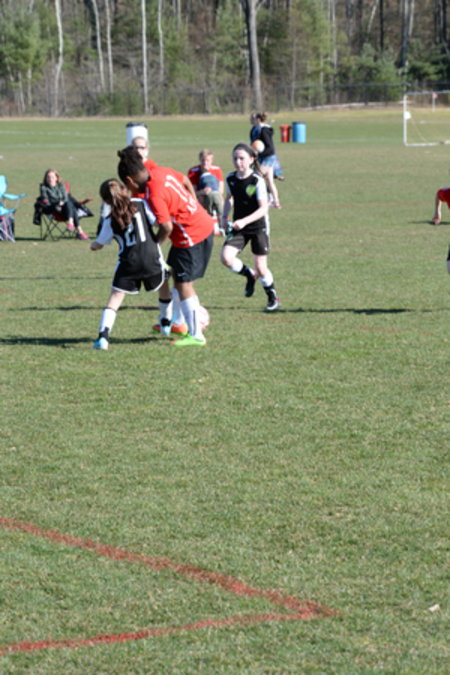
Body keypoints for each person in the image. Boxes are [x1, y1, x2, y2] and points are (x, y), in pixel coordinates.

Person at [117, 146, 214, 347]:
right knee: (177, 274)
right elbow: (185, 180)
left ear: (130, 181)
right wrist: (194, 204)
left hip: (191, 235)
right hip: (199, 226)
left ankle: (196, 335)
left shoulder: (154, 194)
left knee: (184, 284)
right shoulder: (161, 171)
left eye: (127, 186)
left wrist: (155, 243)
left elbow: (166, 227)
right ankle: (178, 322)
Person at [90, 178, 166, 350]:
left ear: (105, 201)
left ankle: (103, 337)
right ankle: (166, 322)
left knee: (115, 297)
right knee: (165, 282)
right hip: (151, 257)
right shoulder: (140, 203)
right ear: (124, 190)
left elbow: (99, 244)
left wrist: (93, 245)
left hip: (129, 262)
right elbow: (156, 221)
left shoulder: (110, 219)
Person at [220, 142, 280, 312]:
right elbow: (229, 198)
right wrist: (224, 216)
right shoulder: (230, 179)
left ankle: (272, 297)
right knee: (226, 258)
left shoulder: (257, 180)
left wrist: (244, 221)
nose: (238, 162)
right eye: (235, 158)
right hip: (239, 227)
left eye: (242, 158)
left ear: (252, 159)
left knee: (261, 267)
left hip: (258, 226)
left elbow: (263, 209)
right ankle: (249, 274)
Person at [39, 169, 89, 239]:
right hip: (54, 209)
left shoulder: (61, 185)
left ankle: (71, 224)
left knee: (68, 202)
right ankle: (79, 231)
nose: (50, 179)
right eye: (48, 177)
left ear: (56, 178)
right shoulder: (44, 187)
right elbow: (45, 199)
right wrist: (57, 203)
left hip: (65, 208)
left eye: (52, 177)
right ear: (45, 178)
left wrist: (62, 202)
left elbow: (65, 197)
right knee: (71, 206)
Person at [188, 149, 224, 234]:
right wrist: (202, 192)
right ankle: (203, 222)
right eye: (203, 160)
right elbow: (191, 193)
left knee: (221, 199)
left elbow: (221, 190)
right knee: (201, 199)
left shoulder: (217, 170)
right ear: (200, 160)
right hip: (200, 197)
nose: (205, 163)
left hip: (214, 195)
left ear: (212, 161)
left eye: (208, 160)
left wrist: (213, 193)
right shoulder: (193, 172)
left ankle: (221, 223)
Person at [249, 112, 284, 181]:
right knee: (268, 180)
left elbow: (269, 146)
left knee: (257, 175)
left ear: (258, 119)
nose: (251, 120)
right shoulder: (255, 129)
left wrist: (258, 151)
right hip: (261, 153)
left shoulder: (263, 130)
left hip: (266, 155)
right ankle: (273, 176)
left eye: (253, 118)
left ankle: (275, 175)